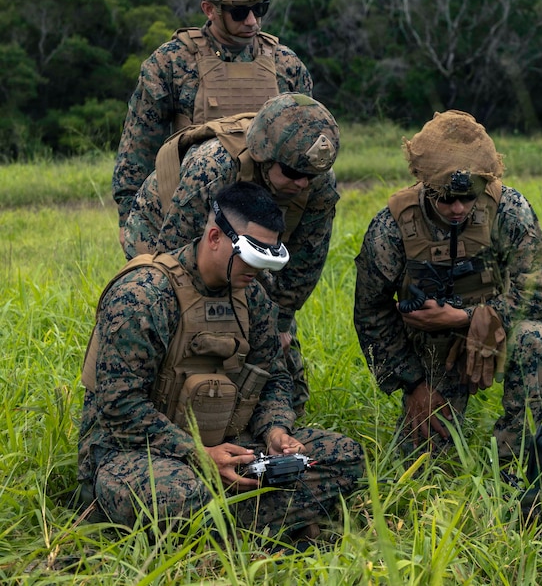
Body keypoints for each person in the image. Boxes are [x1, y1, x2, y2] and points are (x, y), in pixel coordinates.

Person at [78, 182, 362, 538]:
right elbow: (119, 406)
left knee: (344, 456)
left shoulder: (250, 296)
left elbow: (272, 376)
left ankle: (225, 521)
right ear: (214, 237)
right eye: (250, 257)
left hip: (232, 446)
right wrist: (199, 454)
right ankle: (268, 519)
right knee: (177, 496)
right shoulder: (143, 295)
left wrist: (275, 430)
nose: (256, 271)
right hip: (139, 452)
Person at [353, 110, 542, 462]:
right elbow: (371, 312)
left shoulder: (509, 210)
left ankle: (515, 459)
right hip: (433, 348)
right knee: (421, 464)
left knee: (533, 338)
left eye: (469, 198)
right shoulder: (391, 228)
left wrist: (467, 317)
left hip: (500, 329)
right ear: (424, 184)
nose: (457, 208)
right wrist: (414, 383)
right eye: (445, 198)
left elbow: (539, 295)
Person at [121, 93, 340, 417]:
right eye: (293, 173)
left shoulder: (316, 183)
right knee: (185, 330)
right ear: (265, 157)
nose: (302, 183)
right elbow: (175, 256)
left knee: (276, 359)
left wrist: (278, 322)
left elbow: (306, 260)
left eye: (310, 176)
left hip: (250, 240)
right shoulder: (212, 166)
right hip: (163, 233)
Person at [112, 0, 313, 238]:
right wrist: (133, 231)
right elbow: (135, 159)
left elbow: (307, 153)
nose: (252, 21)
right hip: (191, 218)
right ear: (209, 9)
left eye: (260, 9)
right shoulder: (171, 64)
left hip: (268, 218)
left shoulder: (287, 66)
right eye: (239, 12)